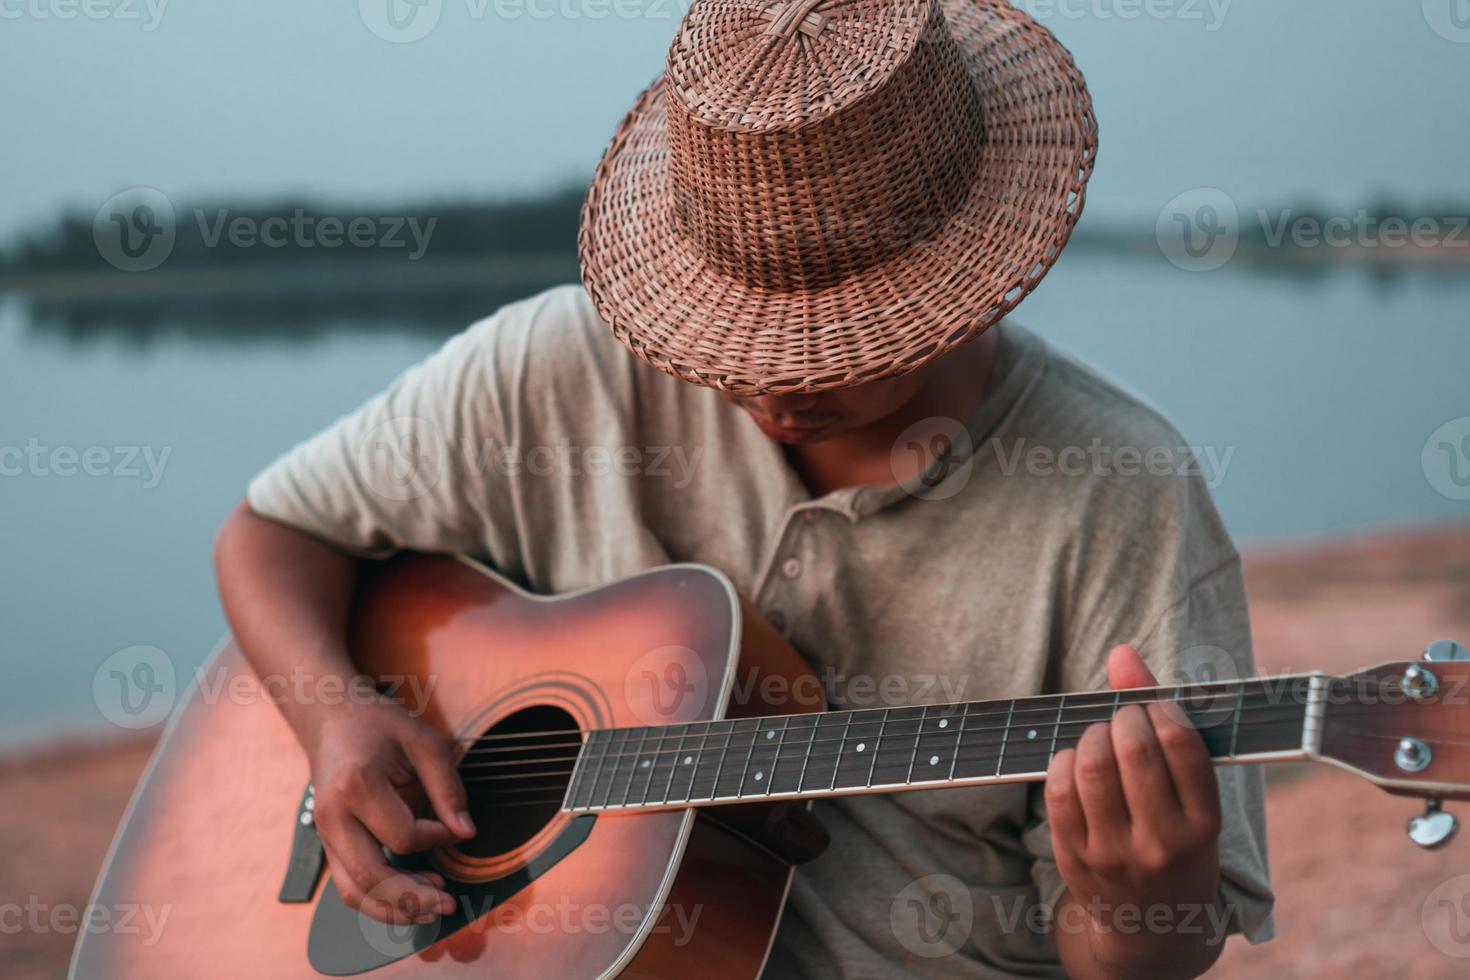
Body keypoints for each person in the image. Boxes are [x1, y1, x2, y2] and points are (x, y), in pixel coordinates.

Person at [214, 1, 1273, 976]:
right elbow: (271, 531)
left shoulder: (1123, 493)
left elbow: (1135, 956)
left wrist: (1140, 893)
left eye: (826, 347)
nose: (764, 387)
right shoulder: (550, 372)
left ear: (957, 265)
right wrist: (333, 715)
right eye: (722, 333)